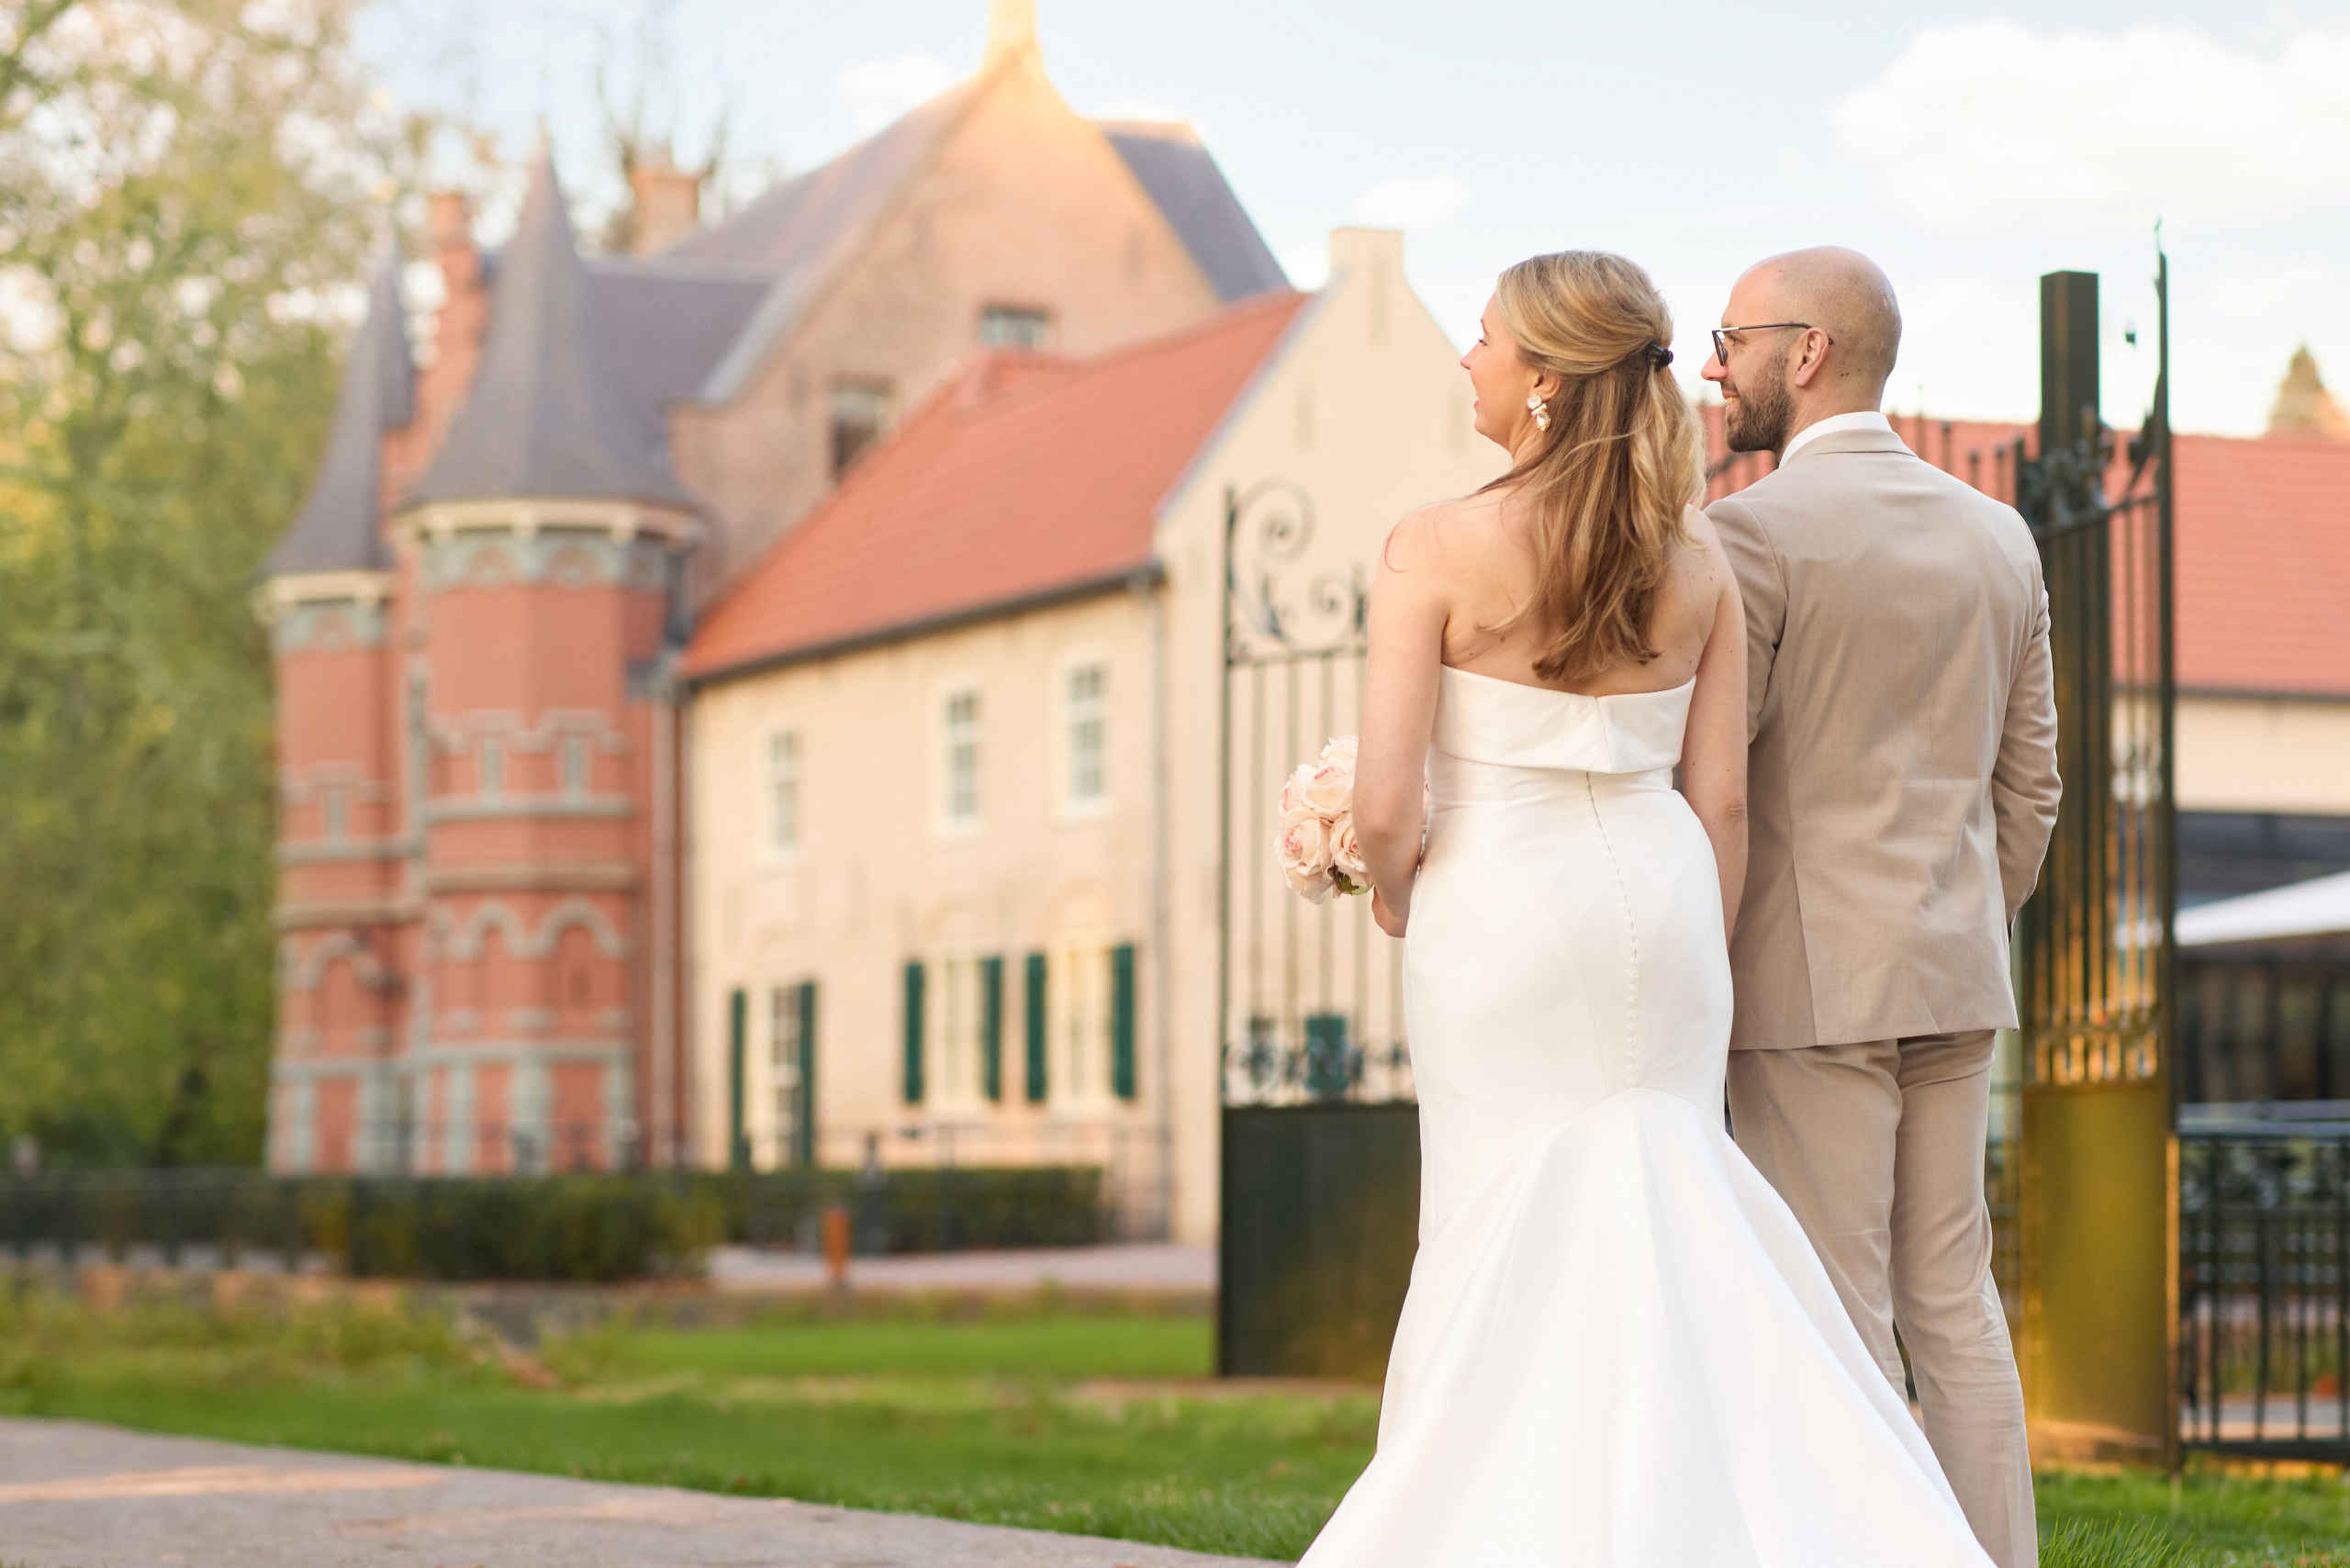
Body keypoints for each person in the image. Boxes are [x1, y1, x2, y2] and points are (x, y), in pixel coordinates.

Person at [1301, 249, 1997, 1566]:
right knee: (1676, 1218)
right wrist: (1704, 953)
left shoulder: (1434, 547)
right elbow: (1720, 807)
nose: (1467, 356)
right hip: (1665, 907)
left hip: (1501, 909)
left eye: (1487, 337)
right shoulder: (1697, 566)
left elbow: (1390, 802)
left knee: (1494, 1224)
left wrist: (1391, 894)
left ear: (1549, 382)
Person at [1703, 247, 2059, 1568]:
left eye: (1730, 337)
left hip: (1804, 994)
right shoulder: (1998, 534)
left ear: (1803, 354)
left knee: (1837, 1313)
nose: (1711, 365)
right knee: (1955, 1308)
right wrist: (1962, 921)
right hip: (1958, 973)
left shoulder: (1748, 536)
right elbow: (2034, 788)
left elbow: (1715, 785)